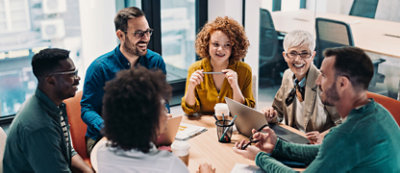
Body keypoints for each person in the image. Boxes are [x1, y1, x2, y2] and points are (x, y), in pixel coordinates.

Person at [233, 47, 400, 172]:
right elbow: (322, 151)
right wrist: (277, 146)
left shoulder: (347, 134)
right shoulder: (379, 113)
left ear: (343, 83)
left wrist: (259, 157)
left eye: (324, 75)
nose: (318, 81)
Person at [81, 6, 168, 155]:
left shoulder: (156, 61)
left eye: (148, 32)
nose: (146, 38)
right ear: (121, 35)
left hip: (144, 134)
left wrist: (165, 114)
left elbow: (162, 100)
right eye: (139, 34)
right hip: (104, 138)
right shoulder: (99, 68)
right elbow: (87, 109)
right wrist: (108, 128)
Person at [94, 67, 214, 173]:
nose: (166, 112)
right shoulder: (171, 166)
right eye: (162, 106)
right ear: (148, 120)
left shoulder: (102, 153)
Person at [3, 48, 93, 173]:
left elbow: (66, 150)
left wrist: (88, 171)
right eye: (72, 74)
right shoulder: (39, 127)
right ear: (50, 80)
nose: (78, 79)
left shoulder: (54, 105)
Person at [262, 30, 340, 144]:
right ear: (285, 56)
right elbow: (278, 112)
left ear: (312, 55)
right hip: (292, 140)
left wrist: (323, 136)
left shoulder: (325, 84)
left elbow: (345, 123)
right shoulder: (288, 75)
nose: (298, 59)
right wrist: (270, 115)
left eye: (304, 53)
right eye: (293, 53)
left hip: (316, 147)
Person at [181, 16, 255, 115]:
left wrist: (235, 86)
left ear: (234, 46)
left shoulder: (244, 70)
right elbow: (189, 110)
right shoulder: (195, 69)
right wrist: (191, 87)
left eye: (227, 45)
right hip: (205, 127)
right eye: (216, 44)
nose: (220, 49)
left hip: (232, 127)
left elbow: (245, 112)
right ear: (207, 44)